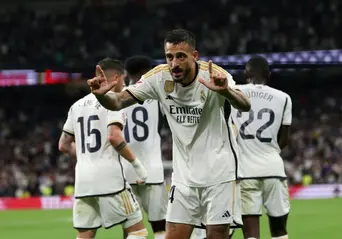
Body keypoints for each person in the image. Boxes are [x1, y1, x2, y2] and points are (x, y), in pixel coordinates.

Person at [87, 29, 251, 239]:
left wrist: (225, 91)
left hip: (219, 173)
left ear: (194, 56)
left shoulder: (213, 74)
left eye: (181, 56)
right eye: (169, 56)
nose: (174, 63)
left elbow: (245, 105)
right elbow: (118, 101)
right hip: (183, 177)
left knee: (216, 236)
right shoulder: (158, 77)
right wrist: (103, 96)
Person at [59, 58, 149, 239]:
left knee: (85, 234)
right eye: (123, 79)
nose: (124, 83)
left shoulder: (76, 106)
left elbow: (63, 145)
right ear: (116, 77)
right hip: (110, 179)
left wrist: (87, 156)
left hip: (83, 181)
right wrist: (137, 165)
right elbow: (114, 136)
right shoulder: (113, 102)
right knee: (137, 231)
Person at [229, 56, 292, 239]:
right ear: (269, 75)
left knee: (251, 235)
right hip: (273, 169)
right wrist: (268, 151)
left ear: (245, 74)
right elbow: (284, 140)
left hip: (245, 171)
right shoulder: (284, 98)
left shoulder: (233, 93)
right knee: (279, 231)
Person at [122, 55, 167, 239]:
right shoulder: (157, 95)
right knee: (160, 227)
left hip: (125, 171)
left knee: (132, 230)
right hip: (153, 170)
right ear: (144, 73)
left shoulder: (117, 97)